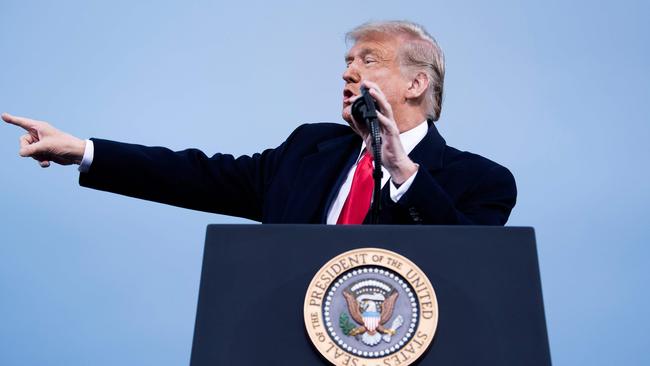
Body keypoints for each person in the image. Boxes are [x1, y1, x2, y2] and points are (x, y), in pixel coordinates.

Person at [2, 21, 516, 225]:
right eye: (348, 60)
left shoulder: (483, 182)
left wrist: (403, 172)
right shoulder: (308, 150)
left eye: (370, 59)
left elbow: (470, 269)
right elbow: (200, 175)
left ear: (416, 84)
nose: (349, 70)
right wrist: (84, 150)